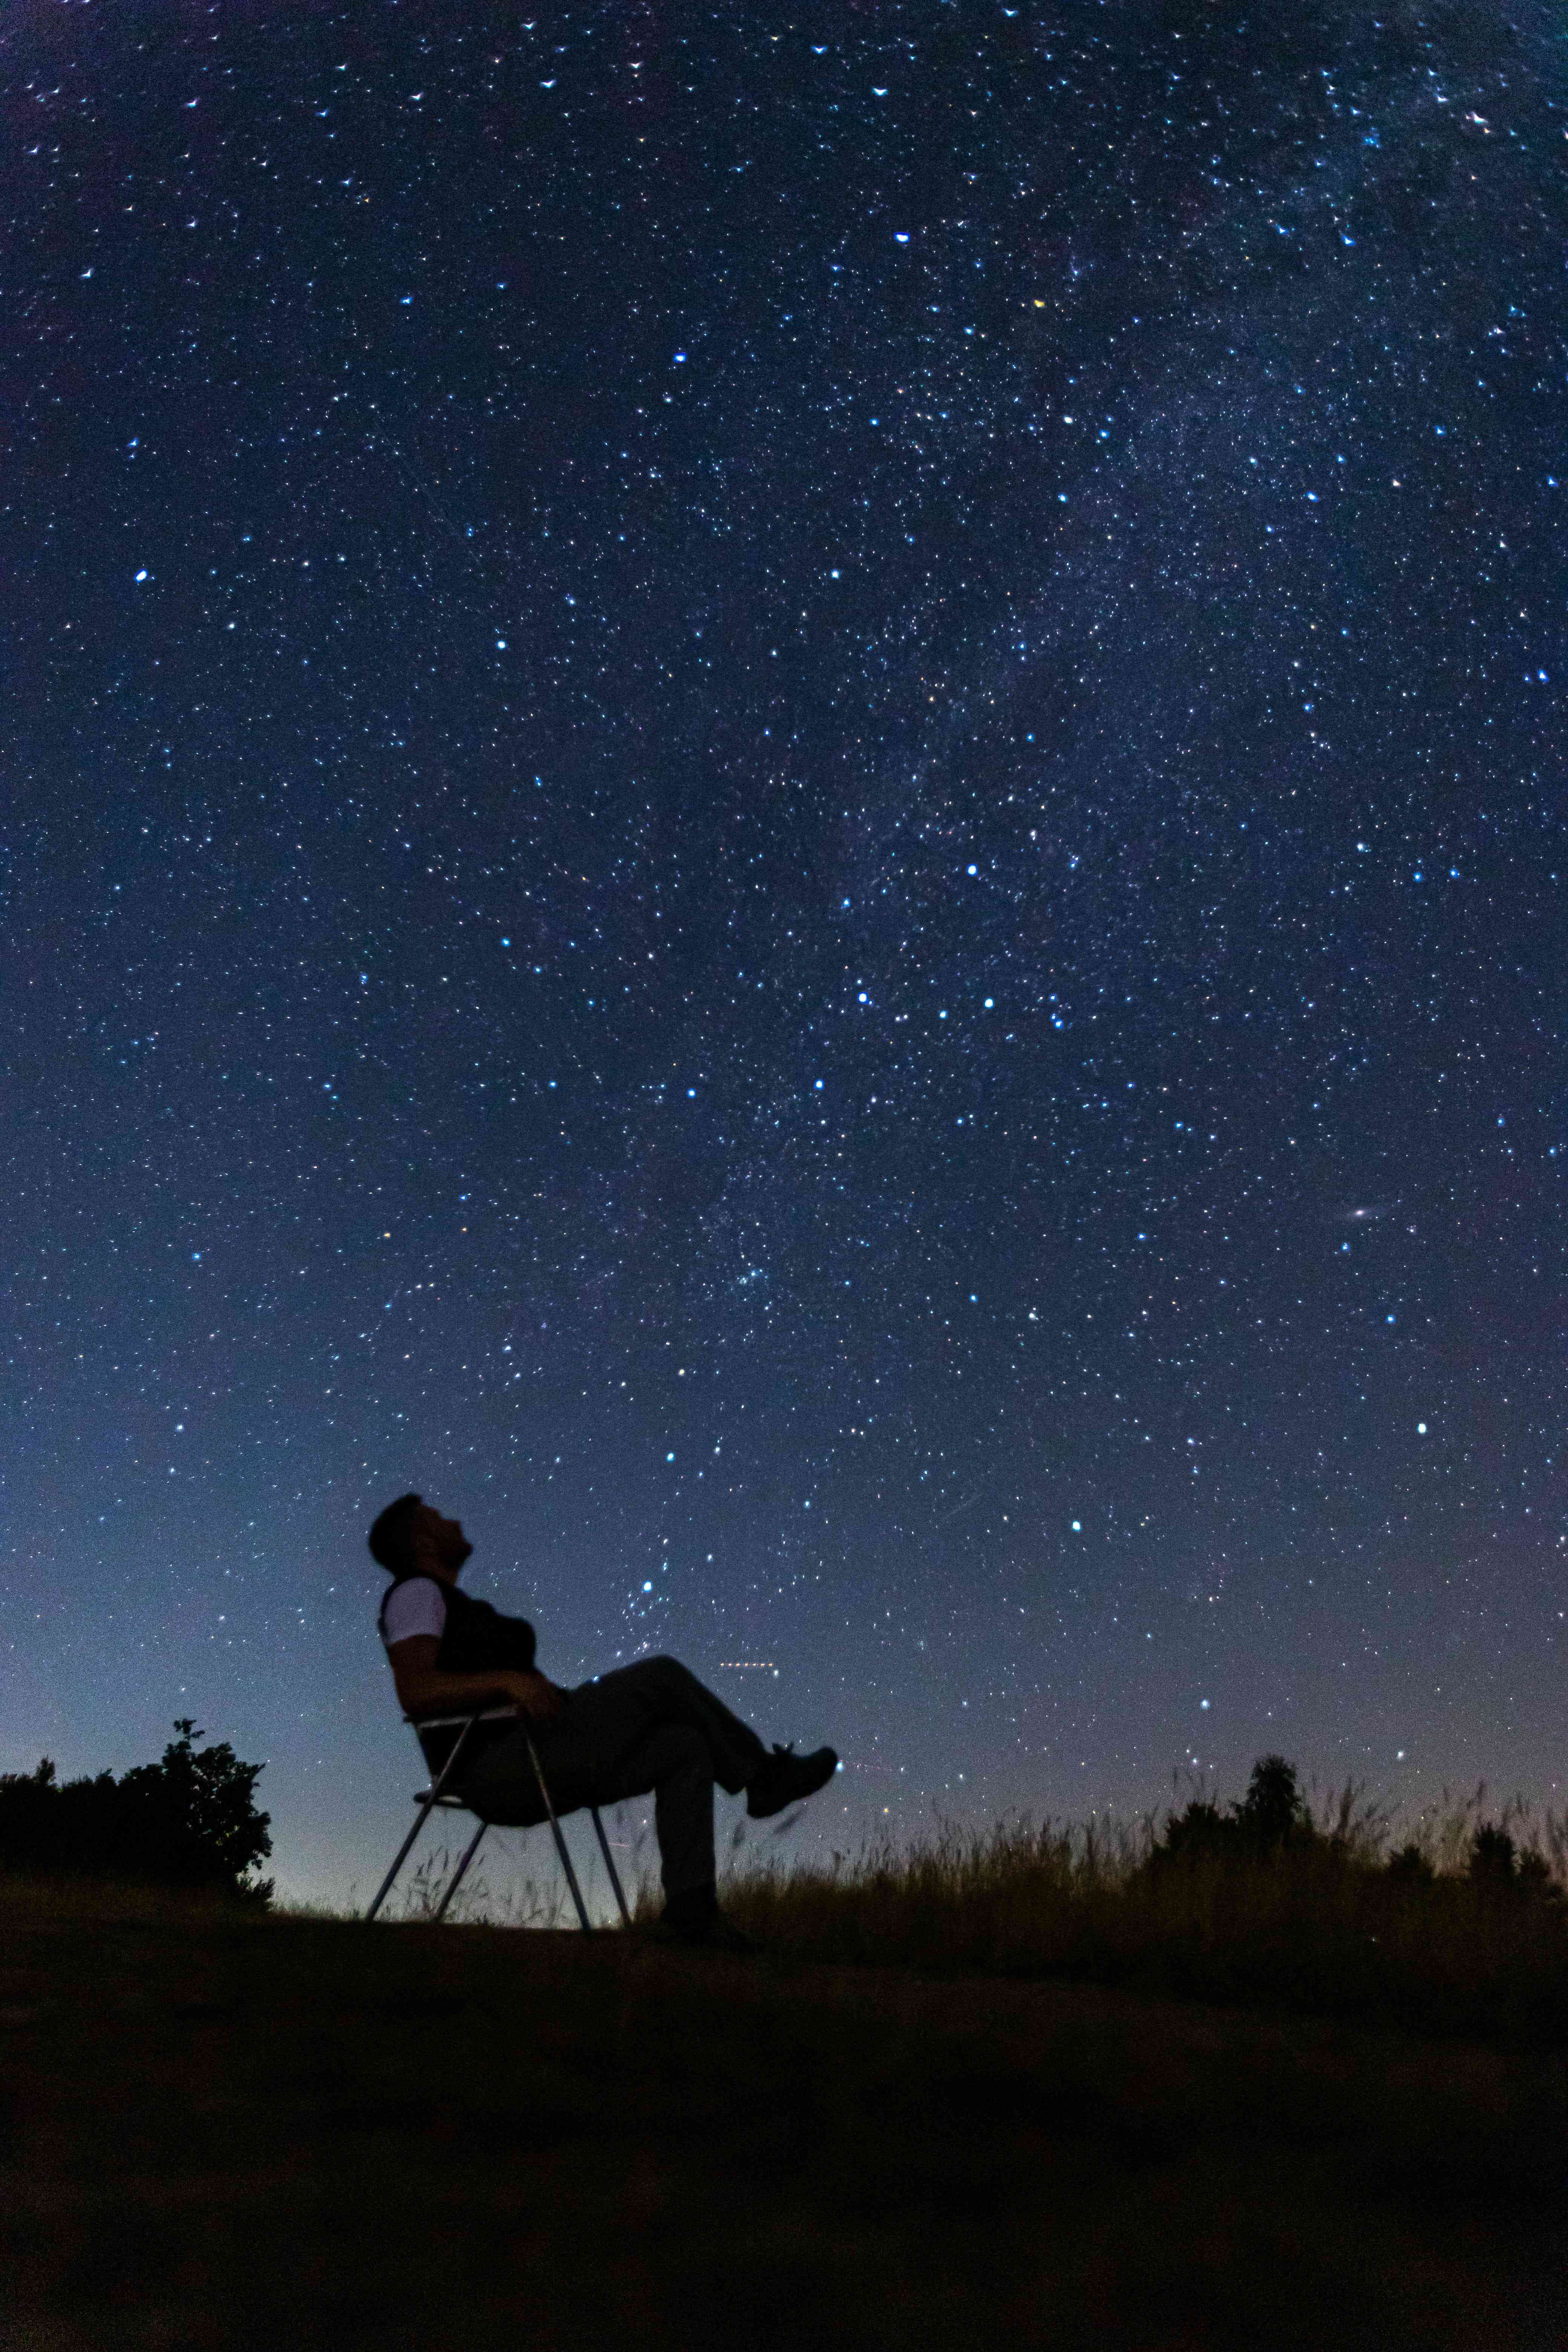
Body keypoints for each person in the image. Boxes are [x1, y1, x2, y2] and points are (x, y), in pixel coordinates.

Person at [369, 1492, 838, 1950]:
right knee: (661, 1675)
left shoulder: (450, 1602)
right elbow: (417, 1691)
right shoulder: (415, 1593)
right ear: (424, 1545)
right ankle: (761, 1777)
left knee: (684, 1746)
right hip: (501, 1765)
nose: (453, 1521)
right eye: (437, 1518)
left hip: (546, 1752)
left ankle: (691, 1914)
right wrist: (510, 1681)